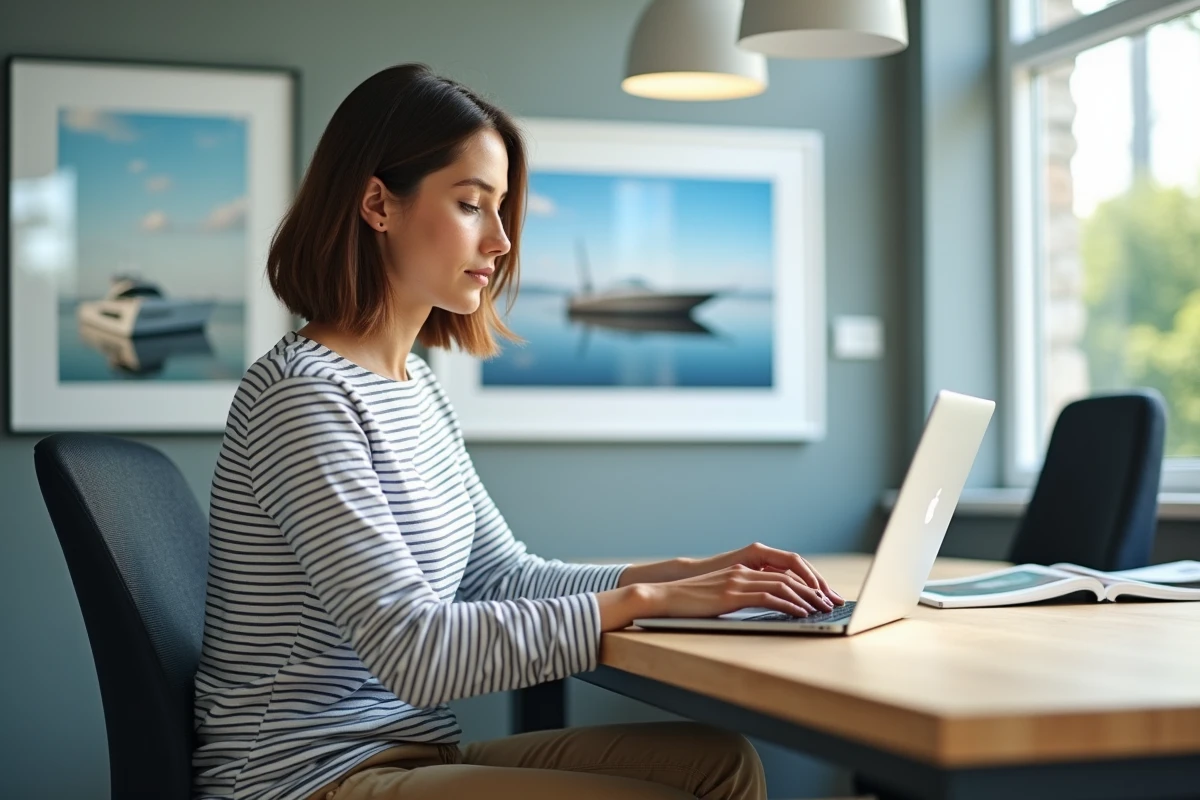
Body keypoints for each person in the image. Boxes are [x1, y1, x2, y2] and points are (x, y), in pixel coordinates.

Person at [192, 62, 844, 800]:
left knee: (719, 761)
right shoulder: (303, 397)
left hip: (408, 750)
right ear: (378, 203)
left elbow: (502, 577)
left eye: (502, 210)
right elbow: (416, 651)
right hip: (302, 778)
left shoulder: (413, 386)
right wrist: (648, 604)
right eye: (472, 204)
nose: (501, 242)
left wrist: (685, 574)